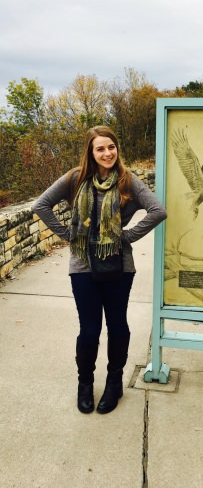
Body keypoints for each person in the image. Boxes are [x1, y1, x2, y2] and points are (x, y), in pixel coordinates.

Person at [32, 125, 167, 414]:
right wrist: (68, 235)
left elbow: (158, 210)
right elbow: (41, 204)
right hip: (82, 265)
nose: (107, 153)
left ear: (117, 149)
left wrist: (125, 237)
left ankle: (114, 382)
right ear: (91, 153)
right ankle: (85, 384)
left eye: (111, 147)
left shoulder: (128, 181)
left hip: (119, 264)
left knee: (117, 325)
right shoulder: (75, 179)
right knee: (89, 330)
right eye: (100, 148)